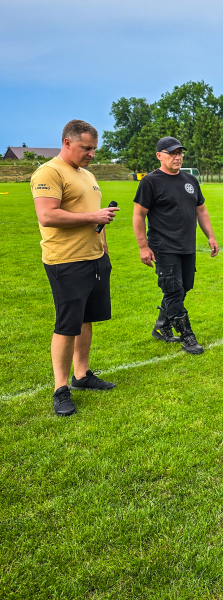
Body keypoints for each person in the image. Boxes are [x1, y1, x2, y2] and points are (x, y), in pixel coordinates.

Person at [31, 119, 119, 417]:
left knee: (86, 319)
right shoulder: (49, 172)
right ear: (67, 142)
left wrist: (103, 247)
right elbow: (47, 215)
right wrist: (94, 215)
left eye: (94, 148)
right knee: (67, 323)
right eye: (86, 148)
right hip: (65, 260)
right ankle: (61, 388)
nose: (92, 153)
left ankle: (81, 375)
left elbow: (97, 216)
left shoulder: (87, 174)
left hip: (94, 258)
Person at [133, 136, 219, 355]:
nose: (177, 157)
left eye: (180, 153)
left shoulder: (190, 180)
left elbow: (201, 210)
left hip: (187, 245)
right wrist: (143, 246)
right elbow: (138, 215)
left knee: (184, 288)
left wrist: (210, 236)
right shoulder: (150, 182)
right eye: (172, 153)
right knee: (173, 290)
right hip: (163, 246)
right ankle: (187, 336)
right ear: (159, 155)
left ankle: (162, 325)